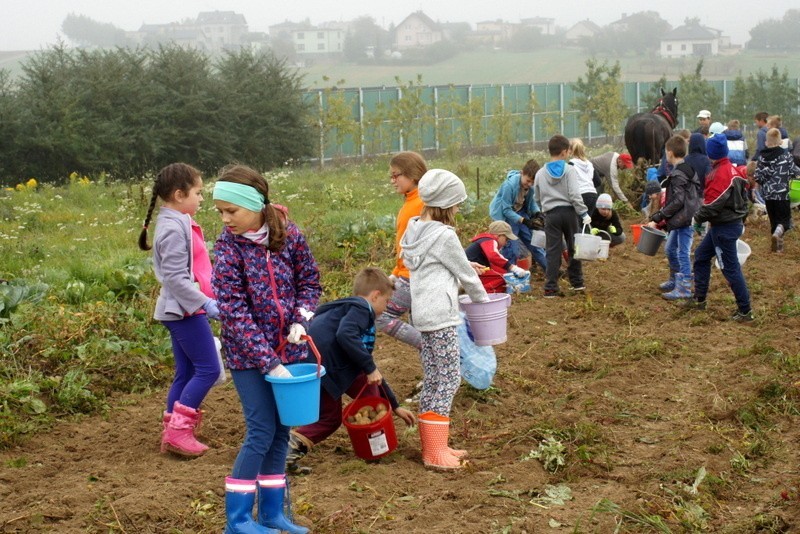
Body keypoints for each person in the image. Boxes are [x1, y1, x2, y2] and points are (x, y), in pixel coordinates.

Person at [212, 164, 322, 534]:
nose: (226, 219)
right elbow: (233, 310)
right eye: (220, 212)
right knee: (260, 430)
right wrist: (267, 362)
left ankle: (272, 514)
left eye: (232, 211)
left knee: (281, 431)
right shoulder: (228, 248)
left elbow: (310, 280)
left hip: (289, 351)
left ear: (256, 205)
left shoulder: (289, 235)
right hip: (248, 358)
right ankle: (238, 520)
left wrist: (300, 319)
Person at [400, 169, 490, 470]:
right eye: (457, 203)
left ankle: (437, 446)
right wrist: (485, 306)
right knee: (448, 378)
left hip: (423, 314)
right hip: (441, 315)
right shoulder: (444, 235)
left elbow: (442, 268)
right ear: (446, 204)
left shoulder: (414, 229)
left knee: (435, 377)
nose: (458, 209)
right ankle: (434, 453)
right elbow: (466, 275)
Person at [286, 267, 416, 470]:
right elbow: (346, 335)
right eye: (386, 302)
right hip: (325, 366)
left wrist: (394, 404)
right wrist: (370, 368)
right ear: (375, 296)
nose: (386, 307)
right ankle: (287, 449)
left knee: (370, 391)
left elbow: (367, 367)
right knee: (329, 419)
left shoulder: (347, 309)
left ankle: (375, 448)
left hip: (325, 363)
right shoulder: (362, 309)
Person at [138, 162, 220, 458]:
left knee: (186, 372)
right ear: (178, 194)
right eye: (198, 193)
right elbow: (175, 278)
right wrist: (204, 303)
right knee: (208, 370)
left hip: (183, 310)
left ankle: (174, 429)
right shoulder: (172, 228)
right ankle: (179, 432)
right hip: (184, 312)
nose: (201, 199)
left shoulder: (178, 220)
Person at [686, 134, 754, 322]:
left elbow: (714, 203)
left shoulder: (720, 174)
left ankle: (745, 310)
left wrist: (697, 218)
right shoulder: (733, 170)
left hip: (724, 227)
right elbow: (743, 199)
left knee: (730, 268)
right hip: (726, 225)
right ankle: (700, 299)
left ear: (712, 153)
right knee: (701, 256)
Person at [378, 151, 426, 350]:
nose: (392, 180)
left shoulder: (422, 204)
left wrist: (403, 275)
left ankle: (429, 346)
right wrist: (395, 274)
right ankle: (432, 377)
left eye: (396, 175)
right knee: (420, 325)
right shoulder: (410, 201)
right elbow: (405, 249)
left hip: (414, 277)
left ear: (412, 175)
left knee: (379, 316)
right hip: (405, 274)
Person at [534, 134, 590, 298]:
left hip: (551, 215)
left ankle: (550, 287)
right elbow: (574, 195)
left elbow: (536, 197)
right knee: (574, 248)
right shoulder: (569, 170)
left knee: (552, 250)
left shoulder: (540, 173)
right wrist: (584, 212)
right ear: (565, 152)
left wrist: (543, 209)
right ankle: (577, 283)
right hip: (569, 213)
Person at [646, 135, 701, 300]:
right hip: (679, 219)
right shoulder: (687, 168)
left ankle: (684, 288)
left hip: (684, 219)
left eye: (665, 153)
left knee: (683, 253)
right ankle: (675, 279)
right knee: (670, 249)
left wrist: (658, 217)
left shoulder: (678, 174)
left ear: (669, 153)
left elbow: (677, 201)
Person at [488, 159, 546, 274]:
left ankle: (550, 270)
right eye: (527, 181)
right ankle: (510, 275)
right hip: (507, 216)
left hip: (520, 212)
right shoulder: (509, 186)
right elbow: (506, 210)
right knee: (511, 248)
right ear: (521, 173)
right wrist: (524, 221)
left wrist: (537, 213)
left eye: (532, 183)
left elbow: (532, 202)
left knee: (534, 243)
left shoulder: (531, 187)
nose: (529, 185)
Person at [755, 128, 800, 253]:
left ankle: (778, 249)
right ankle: (777, 236)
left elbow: (758, 177)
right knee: (784, 222)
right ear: (780, 142)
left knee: (774, 222)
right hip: (782, 195)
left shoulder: (762, 158)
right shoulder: (785, 155)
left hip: (768, 196)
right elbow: (794, 171)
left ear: (766, 142)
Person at [465, 220, 529, 293]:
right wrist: (513, 268)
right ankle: (480, 292)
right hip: (472, 271)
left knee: (503, 272)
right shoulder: (489, 240)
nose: (506, 243)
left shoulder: (485, 240)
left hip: (476, 270)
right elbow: (493, 256)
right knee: (504, 278)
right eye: (506, 239)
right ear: (499, 235)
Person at [569, 138, 599, 215]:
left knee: (578, 223)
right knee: (586, 221)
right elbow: (598, 181)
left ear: (571, 150)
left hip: (580, 195)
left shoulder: (571, 164)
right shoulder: (589, 164)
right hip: (593, 195)